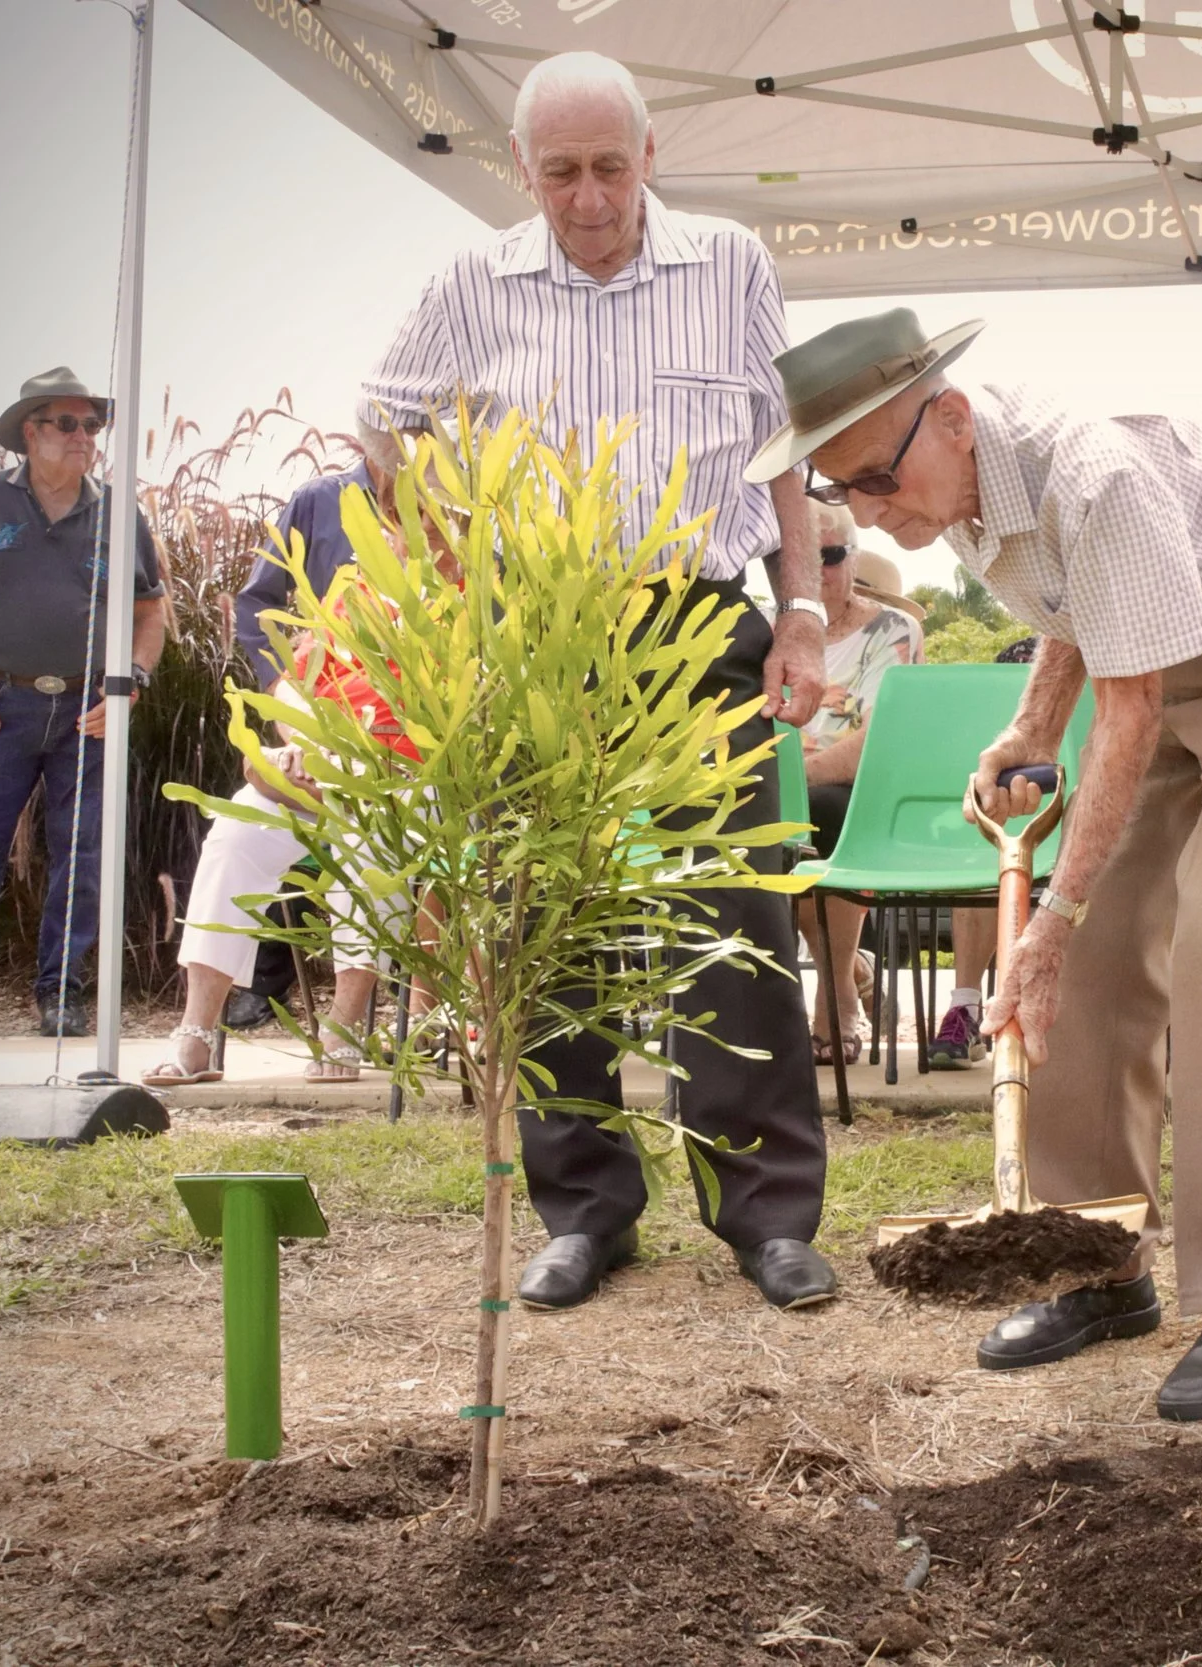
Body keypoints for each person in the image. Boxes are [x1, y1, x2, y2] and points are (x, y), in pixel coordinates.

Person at [754, 307, 1202, 1422]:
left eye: (870, 481)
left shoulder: (1088, 472)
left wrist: (1045, 919)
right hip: (1169, 659)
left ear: (947, 416)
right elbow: (1077, 613)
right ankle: (1097, 1264)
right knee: (1092, 962)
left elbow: (1131, 706)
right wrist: (1030, 728)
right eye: (840, 489)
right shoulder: (944, 477)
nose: (865, 510)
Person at [360, 51, 836, 1314]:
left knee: (736, 917)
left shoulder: (729, 260)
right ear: (522, 171)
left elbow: (783, 448)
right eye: (560, 172)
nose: (587, 197)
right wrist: (445, 558)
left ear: (650, 157)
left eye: (608, 168)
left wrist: (801, 612)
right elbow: (383, 417)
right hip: (534, 635)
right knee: (546, 923)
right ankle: (584, 1209)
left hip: (695, 626)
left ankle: (768, 1216)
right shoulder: (474, 279)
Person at [147, 431, 418, 1087]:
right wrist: (290, 744)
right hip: (319, 773)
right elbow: (267, 624)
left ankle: (347, 1019)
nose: (392, 539)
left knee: (367, 828)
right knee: (236, 829)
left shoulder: (447, 614)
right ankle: (198, 1030)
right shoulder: (342, 603)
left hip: (399, 787)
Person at [0, 367, 166, 1038]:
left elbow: (151, 612)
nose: (85, 437)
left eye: (93, 425)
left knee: (81, 849)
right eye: (68, 423)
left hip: (90, 710)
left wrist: (131, 684)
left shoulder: (119, 513)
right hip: (0, 706)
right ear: (30, 431)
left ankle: (62, 992)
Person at [218, 433, 399, 1034]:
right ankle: (263, 988)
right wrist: (284, 695)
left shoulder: (455, 504)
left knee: (356, 816)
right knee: (262, 811)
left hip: (405, 734)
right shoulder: (318, 501)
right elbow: (257, 604)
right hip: (315, 703)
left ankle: (373, 1014)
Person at [793, 505, 925, 1063]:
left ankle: (837, 993)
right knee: (757, 817)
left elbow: (878, 740)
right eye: (802, 557)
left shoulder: (892, 631)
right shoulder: (760, 632)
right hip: (779, 785)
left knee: (819, 810)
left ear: (852, 559)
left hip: (854, 792)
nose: (817, 569)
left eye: (830, 555)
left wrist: (791, 776)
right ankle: (850, 971)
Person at [927, 632, 1041, 1069]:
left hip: (1098, 796)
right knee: (981, 847)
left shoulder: (1118, 640)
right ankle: (966, 1008)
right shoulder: (1014, 659)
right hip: (1023, 796)